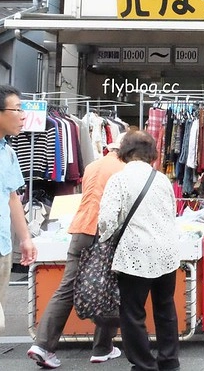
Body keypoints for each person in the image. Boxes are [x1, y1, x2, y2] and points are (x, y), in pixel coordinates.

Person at [27, 133, 128, 368]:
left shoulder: (93, 166)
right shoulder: (124, 169)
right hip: (104, 232)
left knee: (68, 287)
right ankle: (102, 348)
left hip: (80, 228)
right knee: (110, 286)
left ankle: (42, 345)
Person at [97, 131, 180, 371]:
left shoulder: (119, 180)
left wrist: (106, 238)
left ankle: (144, 364)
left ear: (125, 151)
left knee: (133, 313)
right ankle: (169, 361)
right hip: (166, 252)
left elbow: (106, 221)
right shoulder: (163, 180)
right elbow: (170, 214)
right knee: (165, 308)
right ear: (151, 154)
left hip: (134, 254)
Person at [0, 85, 37, 331]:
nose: (23, 116)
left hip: (2, 248)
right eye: (17, 109)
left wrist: (25, 239)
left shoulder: (8, 153)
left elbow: (12, 197)